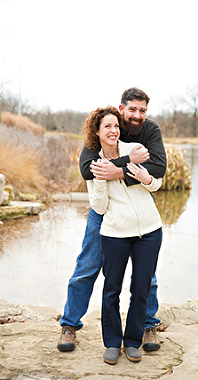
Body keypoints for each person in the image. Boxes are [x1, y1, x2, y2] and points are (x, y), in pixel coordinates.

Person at [58, 88, 167, 352]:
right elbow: (88, 169)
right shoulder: (101, 127)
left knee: (146, 276)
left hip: (138, 212)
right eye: (132, 110)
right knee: (87, 268)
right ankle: (69, 324)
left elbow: (158, 167)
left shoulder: (149, 131)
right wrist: (128, 162)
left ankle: (149, 324)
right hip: (103, 214)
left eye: (142, 110)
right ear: (121, 109)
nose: (137, 116)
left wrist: (117, 170)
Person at [82, 105, 163, 364]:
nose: (114, 130)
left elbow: (157, 181)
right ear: (97, 131)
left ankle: (132, 342)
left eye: (116, 126)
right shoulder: (94, 164)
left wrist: (146, 179)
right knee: (111, 290)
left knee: (141, 289)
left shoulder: (134, 150)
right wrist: (100, 180)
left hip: (150, 231)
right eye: (107, 126)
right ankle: (113, 343)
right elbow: (100, 207)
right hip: (115, 234)